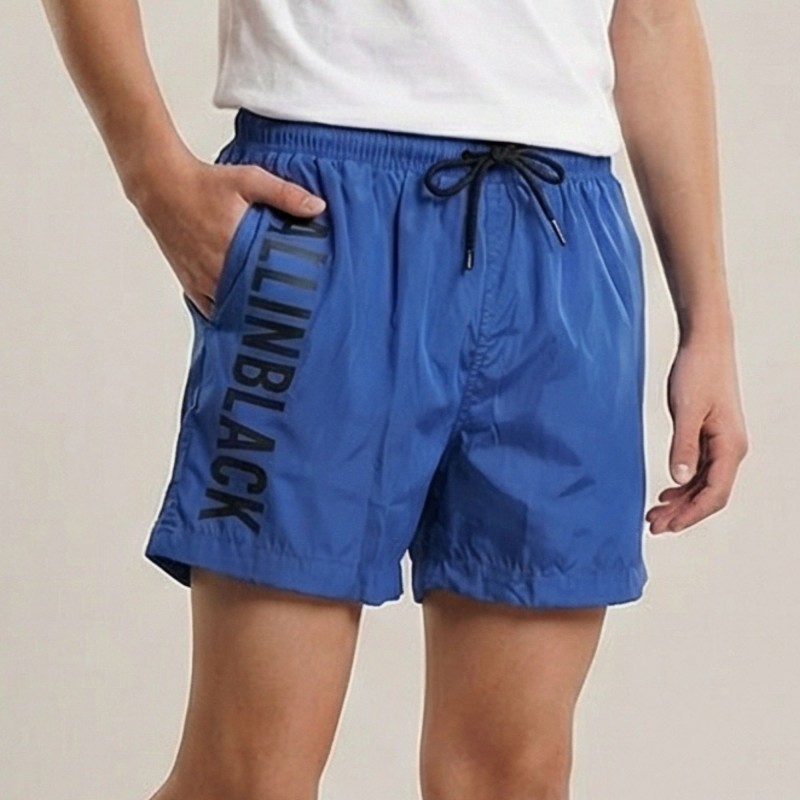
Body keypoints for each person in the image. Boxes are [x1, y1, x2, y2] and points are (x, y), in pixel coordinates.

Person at [42, 1, 748, 798]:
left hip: (561, 240)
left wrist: (710, 327)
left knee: (511, 781)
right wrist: (154, 176)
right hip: (325, 213)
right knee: (246, 779)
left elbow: (653, 17)